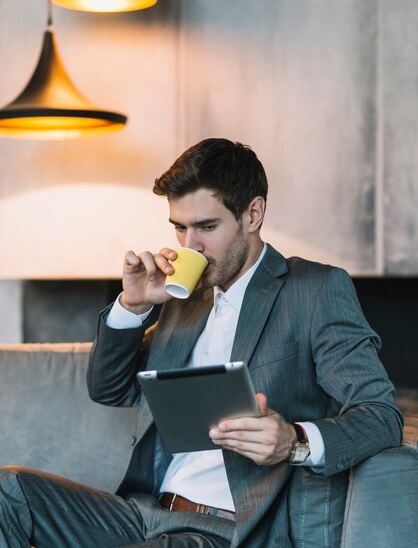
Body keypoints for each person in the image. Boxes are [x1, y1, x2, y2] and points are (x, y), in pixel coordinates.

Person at [0, 138, 402, 548]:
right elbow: (110, 388)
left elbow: (381, 416)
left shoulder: (314, 291)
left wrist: (295, 442)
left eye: (206, 227)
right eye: (179, 227)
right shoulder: (184, 297)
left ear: (253, 214)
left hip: (231, 529)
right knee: (7, 489)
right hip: (146, 512)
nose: (189, 245)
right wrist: (133, 306)